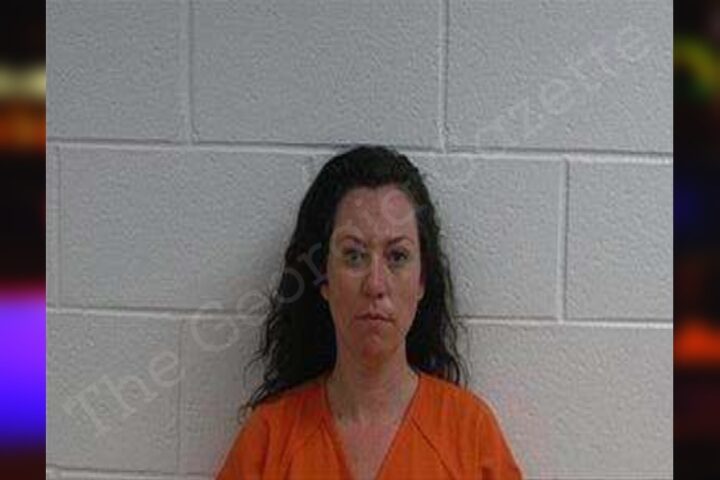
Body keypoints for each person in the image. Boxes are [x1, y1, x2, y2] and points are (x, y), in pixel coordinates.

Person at [216, 146, 522, 479]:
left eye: (397, 256)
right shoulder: (269, 438)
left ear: (422, 280)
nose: (375, 284)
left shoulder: (470, 434)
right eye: (354, 255)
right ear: (323, 278)